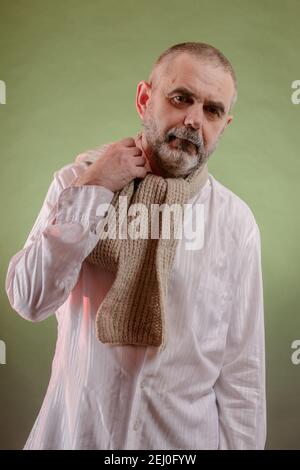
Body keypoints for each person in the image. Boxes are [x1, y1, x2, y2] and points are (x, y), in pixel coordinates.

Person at [5, 42, 266, 450]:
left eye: (212, 110)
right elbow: (29, 299)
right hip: (77, 436)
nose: (194, 120)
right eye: (181, 98)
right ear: (145, 98)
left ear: (224, 125)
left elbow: (243, 374)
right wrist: (93, 189)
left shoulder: (236, 223)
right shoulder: (76, 183)